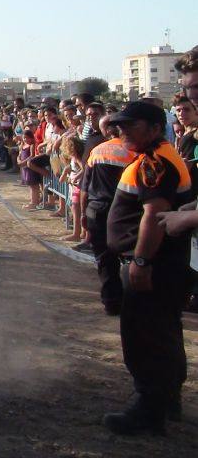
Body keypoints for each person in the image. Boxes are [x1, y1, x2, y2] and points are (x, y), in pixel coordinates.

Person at [101, 101, 193, 435]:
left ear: (154, 128)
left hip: (153, 266)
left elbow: (153, 215)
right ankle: (167, 400)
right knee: (165, 333)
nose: (120, 131)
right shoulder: (159, 156)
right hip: (164, 265)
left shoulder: (155, 162)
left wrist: (141, 261)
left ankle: (148, 410)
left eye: (130, 125)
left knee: (144, 336)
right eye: (119, 125)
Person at [80, 115, 136, 315]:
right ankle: (132, 300)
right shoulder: (132, 153)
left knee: (104, 259)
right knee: (131, 257)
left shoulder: (96, 151)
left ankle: (111, 302)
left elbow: (85, 188)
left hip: (96, 209)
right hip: (124, 212)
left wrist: (83, 215)